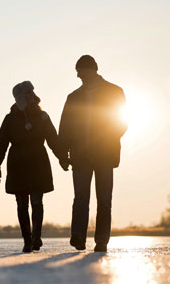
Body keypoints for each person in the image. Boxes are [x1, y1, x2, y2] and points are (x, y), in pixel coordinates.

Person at [58, 55, 127, 253]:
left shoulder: (114, 92)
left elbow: (122, 122)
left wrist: (107, 139)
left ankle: (102, 241)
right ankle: (78, 237)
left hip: (105, 154)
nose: (78, 75)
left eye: (81, 71)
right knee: (81, 197)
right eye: (77, 72)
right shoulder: (73, 97)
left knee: (104, 199)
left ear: (93, 70)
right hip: (80, 156)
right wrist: (63, 154)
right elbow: (65, 128)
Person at [0, 81, 66, 253]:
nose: (31, 96)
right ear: (20, 97)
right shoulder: (10, 119)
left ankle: (36, 237)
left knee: (37, 201)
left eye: (32, 93)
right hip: (18, 163)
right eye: (27, 93)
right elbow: (1, 143)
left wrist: (62, 158)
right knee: (21, 203)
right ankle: (27, 240)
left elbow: (53, 140)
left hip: (38, 161)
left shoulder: (43, 116)